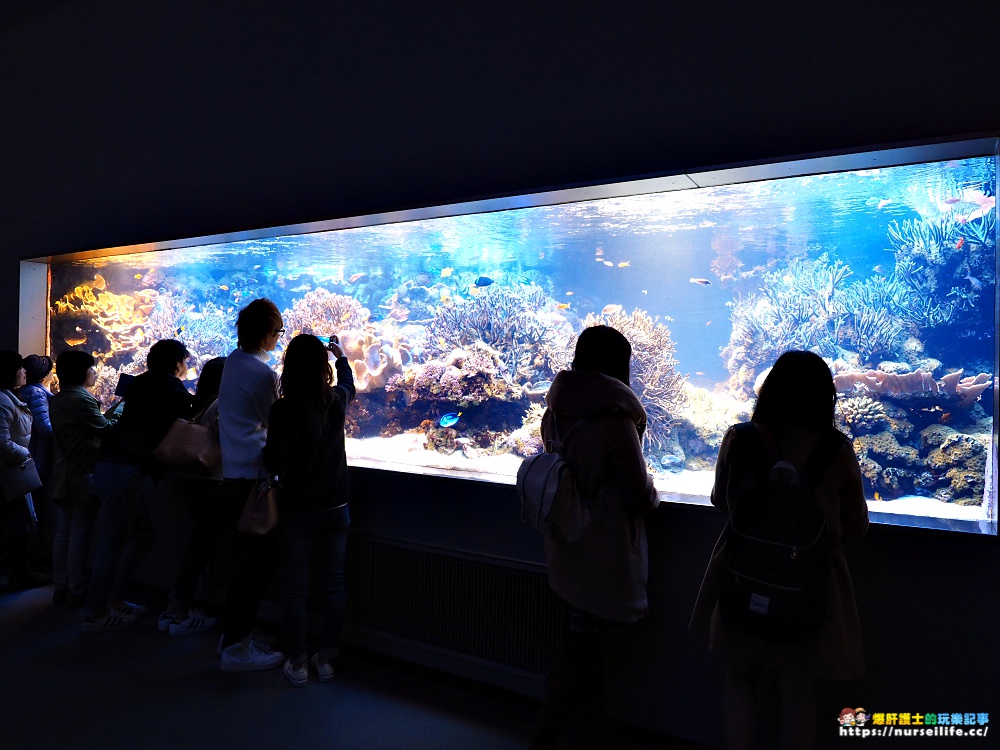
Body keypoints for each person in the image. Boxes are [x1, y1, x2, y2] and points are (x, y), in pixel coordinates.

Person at [689, 350, 868, 750]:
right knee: (797, 690)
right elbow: (855, 526)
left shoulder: (741, 438)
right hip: (807, 589)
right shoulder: (837, 451)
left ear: (768, 391)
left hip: (741, 577)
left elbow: (722, 500)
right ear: (826, 399)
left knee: (738, 678)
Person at [530, 325, 659, 749]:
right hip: (604, 554)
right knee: (594, 657)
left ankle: (563, 732)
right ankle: (564, 735)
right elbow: (638, 494)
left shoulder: (555, 412)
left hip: (567, 547)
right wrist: (654, 486)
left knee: (577, 643)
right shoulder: (615, 421)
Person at [81, 339, 193, 632]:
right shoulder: (172, 388)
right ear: (177, 362)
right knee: (112, 541)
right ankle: (94, 614)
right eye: (185, 360)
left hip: (113, 462)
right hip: (126, 469)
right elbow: (187, 423)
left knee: (141, 532)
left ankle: (113, 599)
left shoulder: (140, 383)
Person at [263, 334, 355, 687]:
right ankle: (327, 659)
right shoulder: (335, 402)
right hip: (336, 508)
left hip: (297, 509)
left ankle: (298, 662)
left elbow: (275, 460)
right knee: (333, 584)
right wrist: (341, 356)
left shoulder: (282, 409)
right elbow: (348, 383)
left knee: (295, 588)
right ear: (322, 368)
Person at [217, 298, 286, 672]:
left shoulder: (232, 361)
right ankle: (236, 648)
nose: (278, 338)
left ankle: (233, 636)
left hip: (233, 475)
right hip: (253, 482)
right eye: (277, 332)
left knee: (241, 563)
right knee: (255, 567)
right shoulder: (263, 375)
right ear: (265, 334)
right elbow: (274, 422)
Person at [158, 356, 226, 635]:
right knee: (203, 548)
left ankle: (174, 609)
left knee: (196, 544)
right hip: (211, 482)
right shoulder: (221, 404)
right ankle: (180, 610)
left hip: (190, 480)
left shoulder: (196, 401)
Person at [49, 350, 113, 605]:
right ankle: (77, 589)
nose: (95, 372)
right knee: (79, 532)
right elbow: (105, 429)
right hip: (82, 473)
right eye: (93, 368)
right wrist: (120, 410)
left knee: (63, 531)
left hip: (64, 472)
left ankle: (61, 585)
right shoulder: (81, 399)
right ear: (83, 372)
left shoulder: (59, 398)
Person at [0, 351, 47, 591]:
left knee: (17, 523)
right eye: (20, 368)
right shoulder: (2, 400)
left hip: (12, 470)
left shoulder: (9, 396)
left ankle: (19, 571)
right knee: (16, 524)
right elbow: (2, 441)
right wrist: (24, 454)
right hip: (9, 472)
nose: (24, 371)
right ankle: (20, 574)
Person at [18, 354, 55, 566]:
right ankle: (33, 562)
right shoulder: (37, 394)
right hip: (37, 461)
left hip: (30, 460)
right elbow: (44, 427)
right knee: (36, 512)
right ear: (44, 374)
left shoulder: (23, 391)